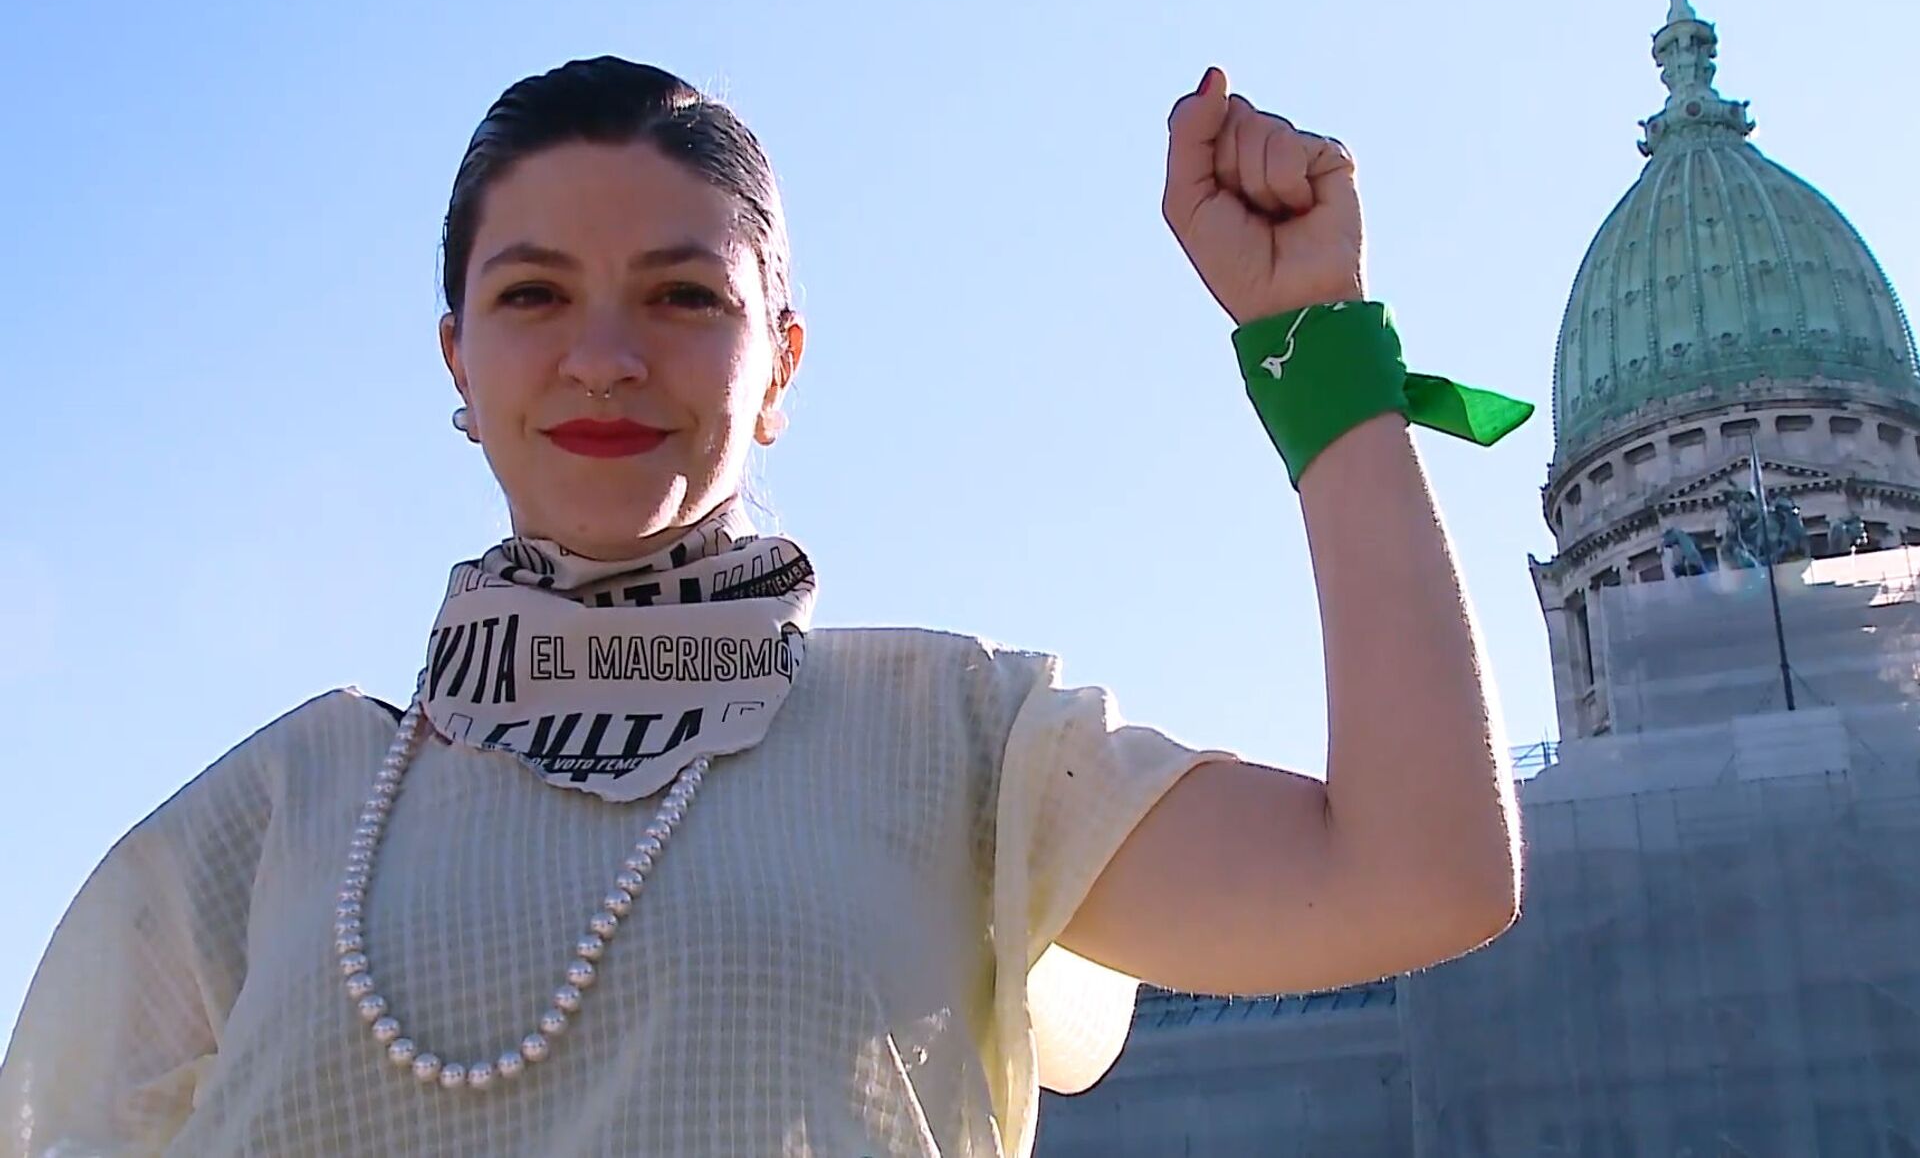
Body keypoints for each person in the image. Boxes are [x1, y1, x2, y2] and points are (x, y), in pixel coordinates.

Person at [0, 56, 1527, 1157]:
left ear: (782, 360)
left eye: (685, 295)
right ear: (456, 355)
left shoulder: (961, 738)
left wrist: (1316, 340)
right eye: (533, 294)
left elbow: (1420, 874)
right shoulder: (262, 823)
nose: (606, 355)